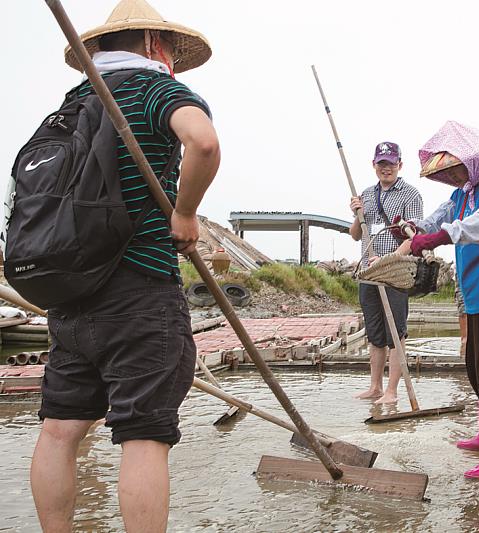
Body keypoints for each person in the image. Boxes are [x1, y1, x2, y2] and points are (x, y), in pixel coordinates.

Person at [27, 1, 220, 532]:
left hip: (70, 293)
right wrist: (184, 213)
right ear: (157, 46)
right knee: (144, 434)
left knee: (60, 431)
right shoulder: (154, 88)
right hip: (139, 289)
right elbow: (202, 141)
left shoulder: (75, 99)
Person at [399, 121, 479, 478]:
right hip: (476, 295)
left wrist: (439, 238)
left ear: (474, 163)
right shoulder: (463, 195)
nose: (452, 177)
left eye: (456, 169)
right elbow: (439, 217)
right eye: (447, 172)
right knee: (474, 366)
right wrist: (415, 228)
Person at [349, 141, 423, 404]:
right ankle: (375, 386)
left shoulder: (410, 195)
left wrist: (390, 258)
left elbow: (414, 237)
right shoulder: (366, 195)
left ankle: (392, 391)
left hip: (395, 271)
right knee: (375, 331)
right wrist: (357, 214)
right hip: (368, 271)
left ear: (399, 165)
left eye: (391, 163)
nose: (386, 168)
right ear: (374, 165)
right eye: (381, 164)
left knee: (396, 332)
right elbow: (356, 234)